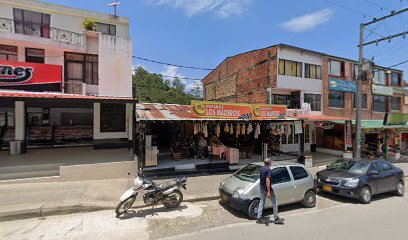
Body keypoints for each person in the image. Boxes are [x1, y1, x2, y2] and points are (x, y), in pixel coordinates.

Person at [256, 158, 284, 224]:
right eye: (271, 162)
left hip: (262, 188)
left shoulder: (262, 168)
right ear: (269, 163)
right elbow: (267, 180)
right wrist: (268, 191)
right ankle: (276, 218)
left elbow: (260, 177)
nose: (271, 162)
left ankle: (258, 218)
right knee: (274, 203)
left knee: (261, 202)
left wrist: (261, 183)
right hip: (267, 189)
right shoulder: (269, 170)